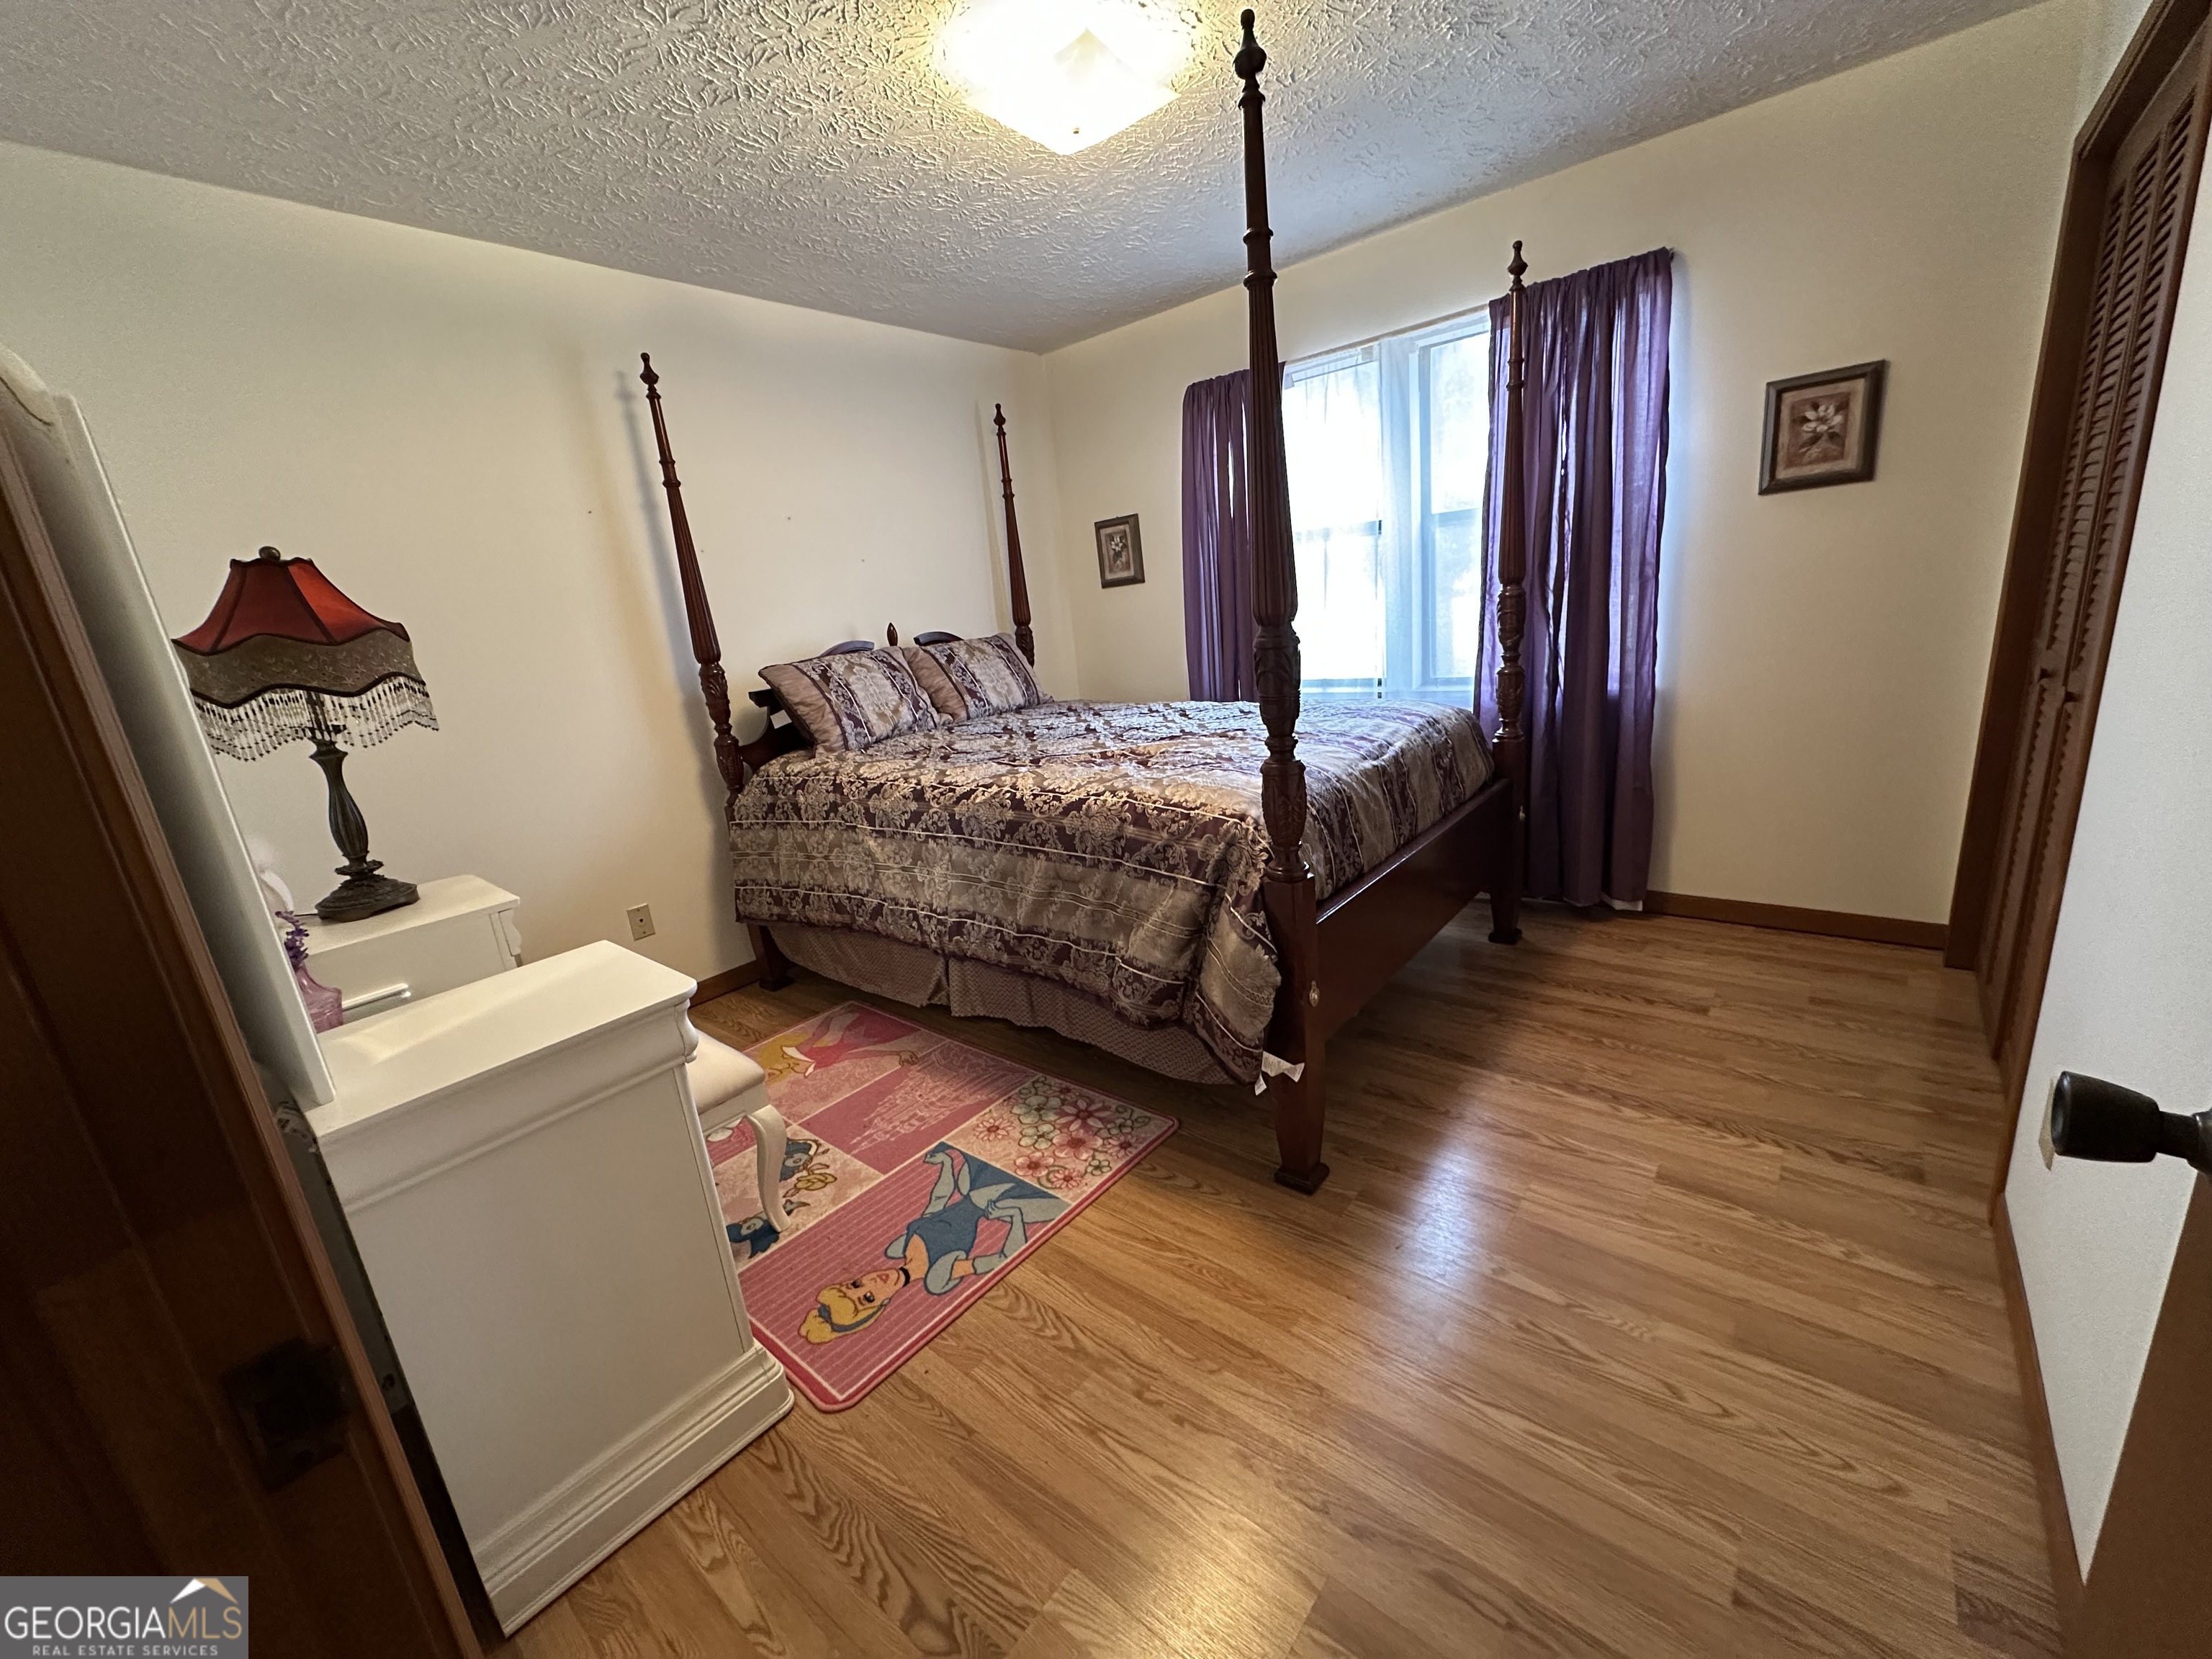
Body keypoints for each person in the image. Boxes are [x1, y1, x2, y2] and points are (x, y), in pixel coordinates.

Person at [800, 1143, 1064, 1344]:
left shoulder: (901, 1246)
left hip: (970, 1185)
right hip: (1000, 1204)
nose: (871, 1282)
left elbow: (939, 1201)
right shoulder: (938, 1276)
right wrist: (1015, 1218)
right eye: (867, 1297)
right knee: (1047, 1176)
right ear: (881, 1305)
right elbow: (1001, 1258)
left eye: (855, 1284)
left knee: (987, 1148)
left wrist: (947, 1163)